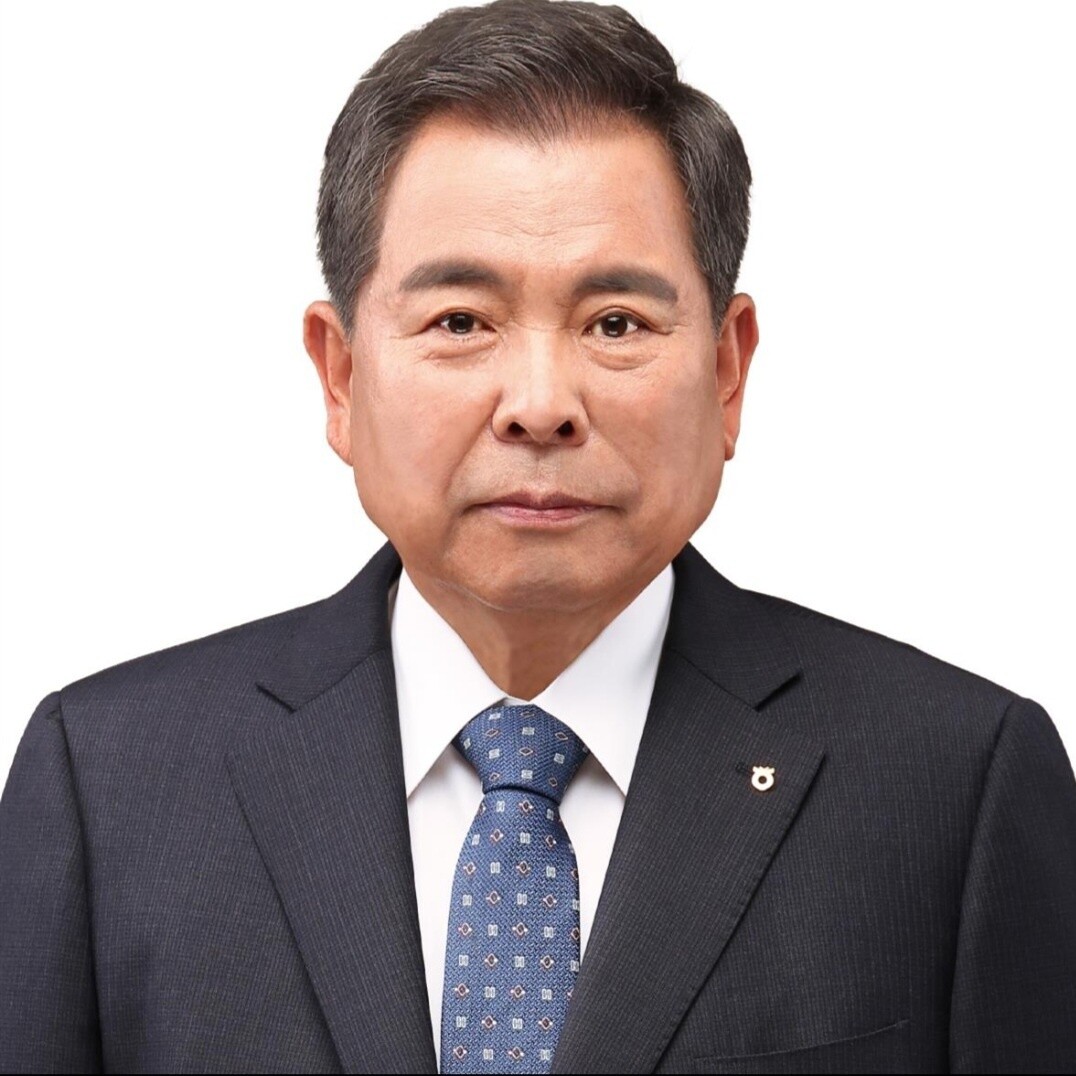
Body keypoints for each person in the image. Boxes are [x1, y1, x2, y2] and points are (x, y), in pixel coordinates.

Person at [1, 0, 1074, 1071]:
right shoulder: (106, 781)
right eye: (460, 321)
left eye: (616, 323)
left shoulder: (955, 783)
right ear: (340, 376)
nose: (540, 404)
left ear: (725, 369)